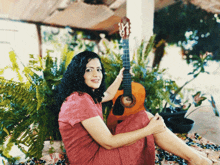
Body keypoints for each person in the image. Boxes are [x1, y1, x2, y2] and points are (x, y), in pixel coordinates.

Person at [56, 51, 212, 165]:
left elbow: (108, 94)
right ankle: (195, 158)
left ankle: (194, 157)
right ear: (78, 73)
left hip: (93, 153)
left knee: (144, 116)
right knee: (148, 122)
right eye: (89, 69)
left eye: (98, 69)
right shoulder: (80, 102)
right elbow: (109, 142)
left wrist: (120, 77)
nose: (96, 74)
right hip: (92, 161)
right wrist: (149, 130)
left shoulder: (83, 95)